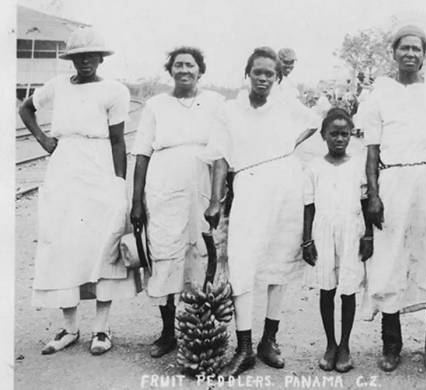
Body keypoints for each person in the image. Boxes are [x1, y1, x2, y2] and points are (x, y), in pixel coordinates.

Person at [18, 27, 136, 356]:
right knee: (62, 242)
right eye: (78, 56)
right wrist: (43, 140)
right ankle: (69, 327)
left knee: (103, 244)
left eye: (91, 55)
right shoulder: (57, 86)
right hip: (64, 168)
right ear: (71, 59)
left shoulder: (115, 91)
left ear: (101, 58)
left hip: (99, 167)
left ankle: (102, 328)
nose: (85, 61)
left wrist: (118, 184)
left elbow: (117, 140)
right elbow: (26, 108)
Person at [203, 47, 318, 377]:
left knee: (278, 261)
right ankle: (244, 348)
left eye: (271, 73)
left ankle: (269, 340)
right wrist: (215, 200)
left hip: (286, 186)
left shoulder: (285, 104)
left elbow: (314, 122)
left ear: (278, 77)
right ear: (248, 73)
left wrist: (285, 149)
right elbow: (220, 157)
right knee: (242, 261)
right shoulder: (229, 111)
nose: (264, 77)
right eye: (259, 72)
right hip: (250, 188)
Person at [361, 25, 426, 373]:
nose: (410, 54)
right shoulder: (378, 96)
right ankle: (392, 341)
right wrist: (373, 194)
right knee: (390, 258)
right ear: (394, 52)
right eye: (404, 48)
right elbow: (371, 151)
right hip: (393, 181)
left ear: (424, 54)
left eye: (417, 49)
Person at [130, 47, 226, 358]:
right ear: (170, 70)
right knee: (166, 252)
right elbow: (142, 152)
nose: (184, 70)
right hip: (163, 186)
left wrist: (216, 198)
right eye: (178, 65)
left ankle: (198, 330)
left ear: (201, 70)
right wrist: (136, 201)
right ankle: (168, 331)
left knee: (200, 254)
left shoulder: (215, 103)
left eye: (191, 65)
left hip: (200, 183)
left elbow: (222, 152)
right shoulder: (156, 105)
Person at [301, 108, 373, 373]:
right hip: (323, 230)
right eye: (334, 134)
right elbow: (308, 205)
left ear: (351, 136)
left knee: (348, 288)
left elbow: (366, 202)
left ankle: (345, 345)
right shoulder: (313, 167)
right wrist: (307, 240)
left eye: (345, 134)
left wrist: (368, 235)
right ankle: (330, 343)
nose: (340, 139)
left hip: (351, 229)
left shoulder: (358, 165)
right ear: (323, 136)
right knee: (327, 288)